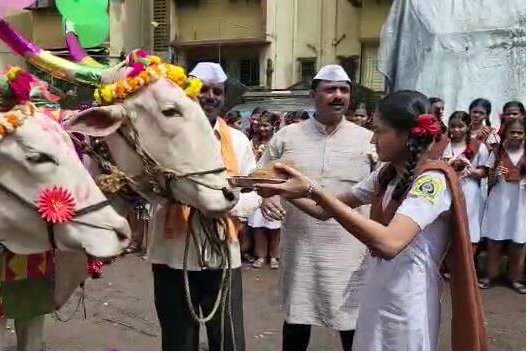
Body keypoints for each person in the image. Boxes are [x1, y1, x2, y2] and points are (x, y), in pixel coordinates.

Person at [255, 90, 487, 351]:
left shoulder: (432, 181)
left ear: (407, 134)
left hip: (409, 302)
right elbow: (323, 210)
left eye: (379, 131)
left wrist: (313, 190)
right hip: (376, 292)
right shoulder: (386, 175)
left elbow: (389, 244)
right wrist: (281, 189)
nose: (373, 140)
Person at [258, 64, 373, 351]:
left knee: (353, 325)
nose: (338, 96)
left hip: (351, 252)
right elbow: (261, 176)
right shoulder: (287, 136)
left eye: (344, 90)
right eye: (330, 90)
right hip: (301, 249)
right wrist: (268, 196)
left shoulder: (369, 140)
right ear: (313, 95)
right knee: (297, 321)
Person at [147, 62, 255, 350]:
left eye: (217, 91)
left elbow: (252, 190)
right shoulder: (163, 139)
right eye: (203, 90)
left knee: (229, 339)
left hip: (223, 252)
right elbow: (148, 191)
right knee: (178, 340)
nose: (210, 96)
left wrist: (225, 206)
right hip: (173, 252)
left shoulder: (240, 141)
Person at [479, 117, 526, 294]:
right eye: (512, 132)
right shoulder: (497, 151)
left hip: (521, 202)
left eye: (520, 132)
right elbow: (487, 177)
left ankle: (515, 278)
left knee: (519, 242)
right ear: (505, 133)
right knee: (494, 240)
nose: (516, 135)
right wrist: (495, 173)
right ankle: (490, 275)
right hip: (499, 199)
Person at [442, 111, 489, 257]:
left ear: (468, 126)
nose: (456, 130)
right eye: (453, 126)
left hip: (470, 191)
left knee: (470, 228)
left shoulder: (479, 147)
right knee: (447, 227)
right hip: (447, 190)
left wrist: (470, 169)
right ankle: (445, 267)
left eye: (460, 126)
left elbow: (483, 172)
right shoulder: (444, 146)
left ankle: (467, 267)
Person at [247, 111, 282, 269]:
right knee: (258, 225)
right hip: (256, 186)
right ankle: (260, 255)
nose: (262, 129)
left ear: (273, 126)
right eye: (260, 125)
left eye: (266, 125)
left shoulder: (279, 141)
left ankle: (274, 256)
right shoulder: (252, 141)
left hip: (274, 186)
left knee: (275, 225)